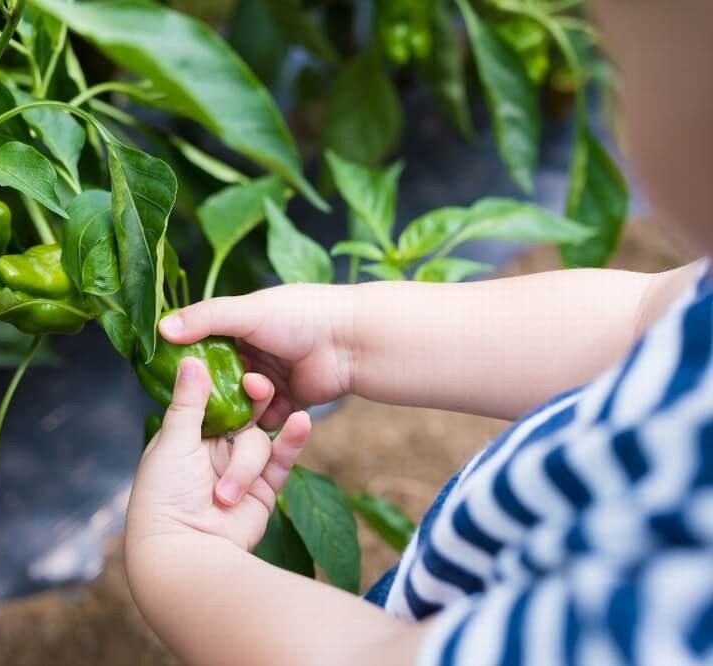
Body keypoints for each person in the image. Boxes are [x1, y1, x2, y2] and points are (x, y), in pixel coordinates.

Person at [123, 1, 713, 663]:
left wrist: (176, 555)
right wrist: (345, 338)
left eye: (619, 57)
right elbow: (641, 322)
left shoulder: (669, 612)